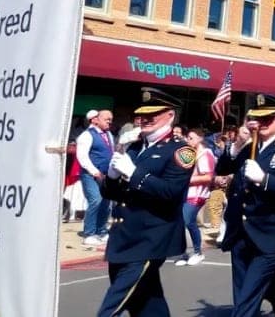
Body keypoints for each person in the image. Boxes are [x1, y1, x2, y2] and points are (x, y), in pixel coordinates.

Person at [95, 90, 192, 317]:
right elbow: (113, 194)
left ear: (169, 115)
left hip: (150, 238)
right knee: (147, 302)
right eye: (142, 115)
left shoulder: (180, 150)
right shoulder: (136, 147)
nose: (145, 119)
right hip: (124, 236)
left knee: (113, 304)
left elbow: (172, 192)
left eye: (153, 114)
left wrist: (134, 173)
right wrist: (111, 176)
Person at [216, 94, 275, 317]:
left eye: (268, 118)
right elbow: (221, 168)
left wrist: (264, 179)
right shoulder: (250, 147)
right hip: (242, 234)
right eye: (258, 119)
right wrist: (238, 143)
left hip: (272, 236)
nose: (261, 124)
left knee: (246, 300)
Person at [174, 128, 216, 267]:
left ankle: (198, 252)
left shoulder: (205, 154)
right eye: (187, 138)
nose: (188, 140)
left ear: (200, 138)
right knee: (181, 222)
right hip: (184, 193)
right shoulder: (188, 154)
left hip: (197, 194)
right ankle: (183, 253)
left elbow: (208, 177)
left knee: (188, 221)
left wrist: (186, 179)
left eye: (191, 138)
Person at [76, 108, 115, 245]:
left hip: (106, 175)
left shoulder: (109, 134)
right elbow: (82, 156)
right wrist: (94, 171)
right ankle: (89, 233)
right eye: (107, 119)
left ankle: (101, 231)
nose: (110, 121)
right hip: (90, 175)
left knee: (106, 203)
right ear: (95, 120)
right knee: (95, 201)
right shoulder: (86, 135)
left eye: (111, 119)